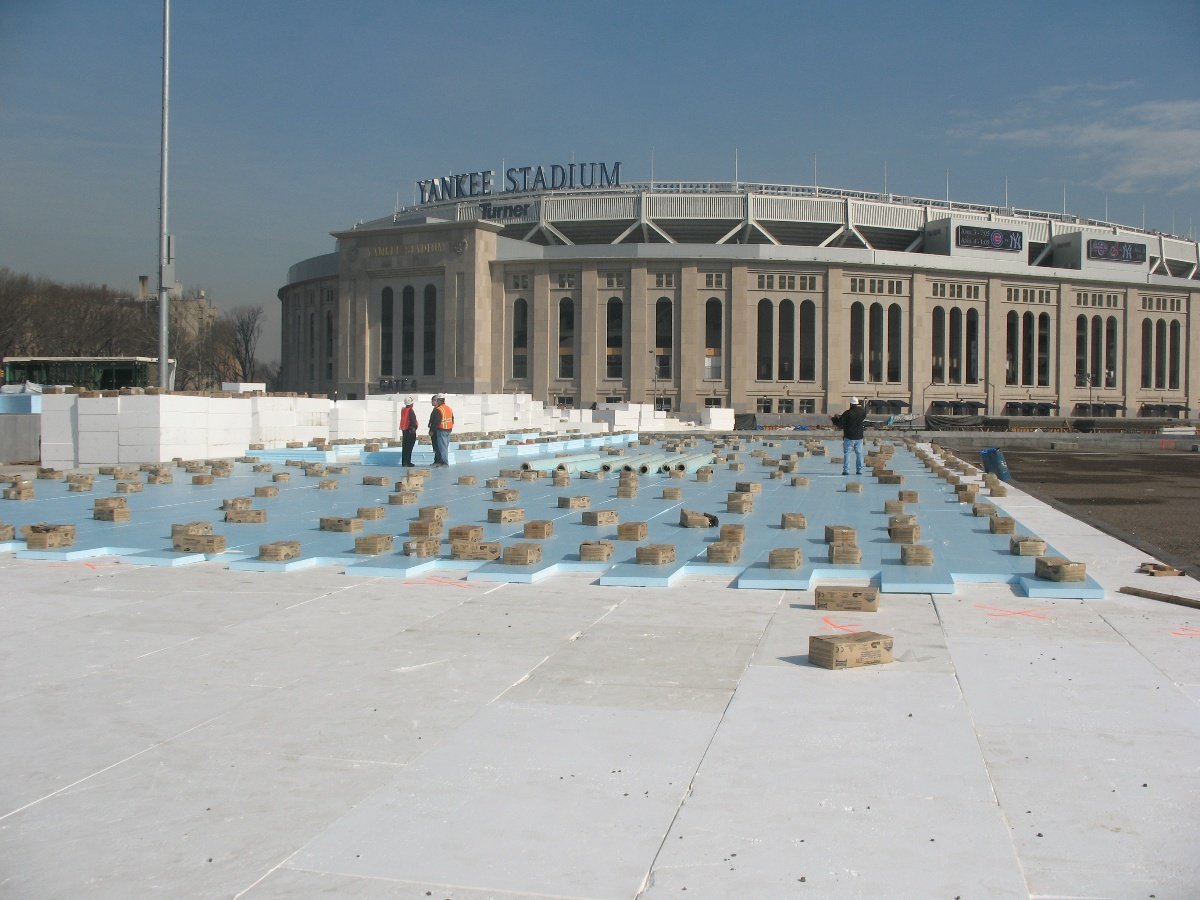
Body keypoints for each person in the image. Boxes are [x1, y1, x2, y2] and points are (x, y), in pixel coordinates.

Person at [832, 396, 867, 475]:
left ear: (850, 404)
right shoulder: (862, 412)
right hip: (859, 436)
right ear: (857, 403)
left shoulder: (847, 413)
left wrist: (833, 419)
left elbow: (840, 424)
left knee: (847, 453)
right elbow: (865, 414)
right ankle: (859, 470)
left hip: (849, 437)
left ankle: (846, 470)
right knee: (859, 454)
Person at [428, 394, 454, 467]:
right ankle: (442, 461)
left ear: (439, 400)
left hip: (442, 429)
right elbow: (452, 419)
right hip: (448, 429)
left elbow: (436, 421)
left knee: (442, 447)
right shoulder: (449, 408)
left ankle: (444, 462)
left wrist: (432, 431)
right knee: (445, 446)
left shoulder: (439, 409)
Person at [398, 396, 418, 467]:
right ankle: (408, 462)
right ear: (412, 403)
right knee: (409, 447)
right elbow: (413, 420)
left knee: (405, 447)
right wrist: (414, 427)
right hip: (410, 431)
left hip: (404, 430)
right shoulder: (410, 410)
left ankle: (404, 462)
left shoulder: (403, 410)